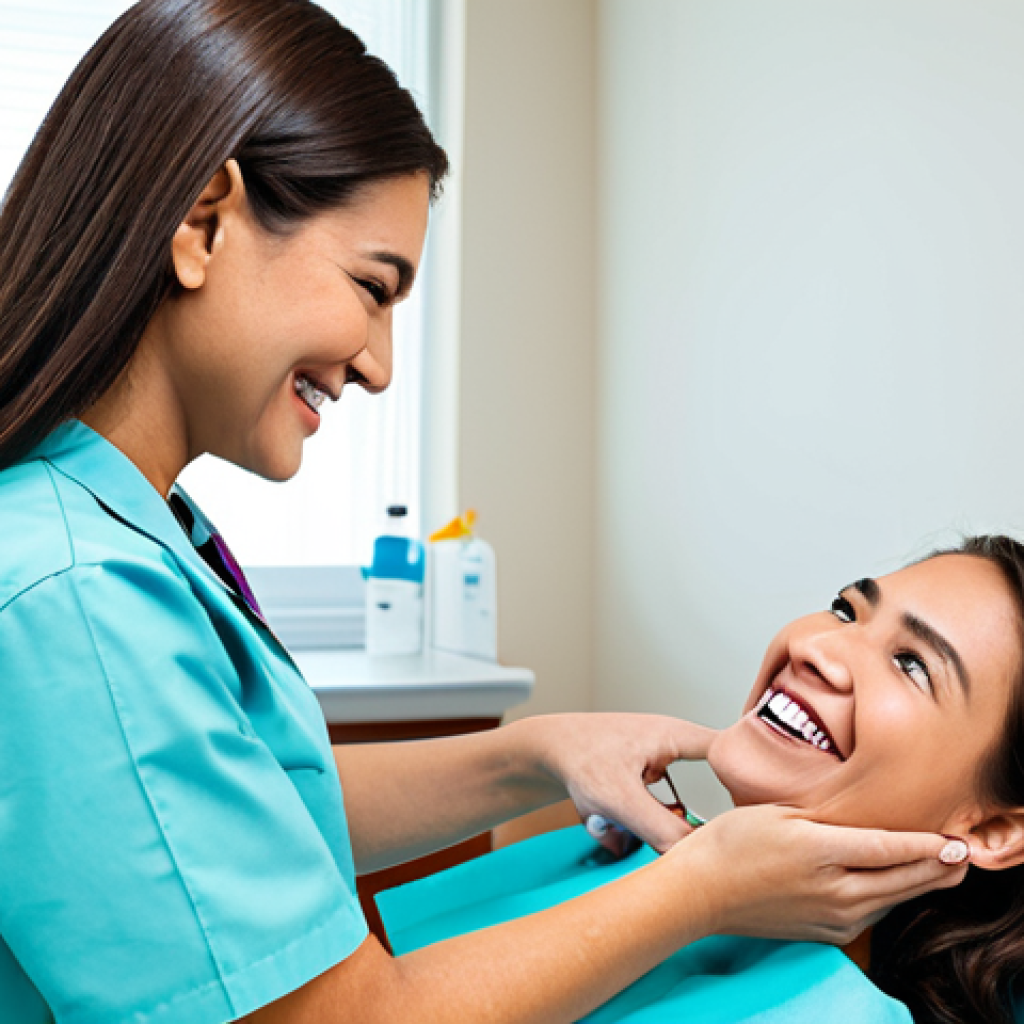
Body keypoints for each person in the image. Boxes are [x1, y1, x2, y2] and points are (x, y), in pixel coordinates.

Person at [0, 3, 968, 1022]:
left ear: (994, 830)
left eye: (914, 662)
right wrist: (698, 887)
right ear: (202, 222)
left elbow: (240, 808)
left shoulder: (112, 534)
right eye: (372, 288)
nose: (377, 364)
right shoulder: (77, 594)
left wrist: (538, 750)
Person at [378, 536, 1024, 1024]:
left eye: (912, 665)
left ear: (993, 828)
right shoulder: (603, 849)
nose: (815, 647)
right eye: (845, 611)